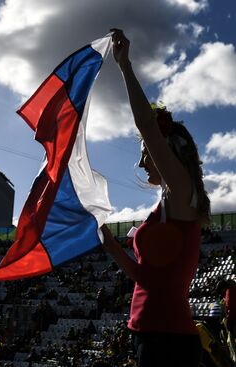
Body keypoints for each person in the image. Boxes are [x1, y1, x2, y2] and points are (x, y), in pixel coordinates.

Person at [100, 29, 211, 367]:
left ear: (169, 153)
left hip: (168, 340)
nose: (140, 162)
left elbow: (148, 125)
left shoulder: (182, 191)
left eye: (145, 153)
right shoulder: (167, 204)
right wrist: (109, 244)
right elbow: (145, 277)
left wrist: (124, 66)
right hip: (149, 335)